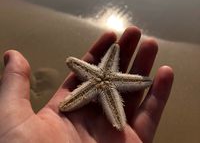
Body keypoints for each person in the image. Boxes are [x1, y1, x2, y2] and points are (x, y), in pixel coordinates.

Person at [0, 26, 173, 143]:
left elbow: (108, 53)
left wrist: (142, 82)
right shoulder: (99, 74)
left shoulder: (104, 72)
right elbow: (74, 63)